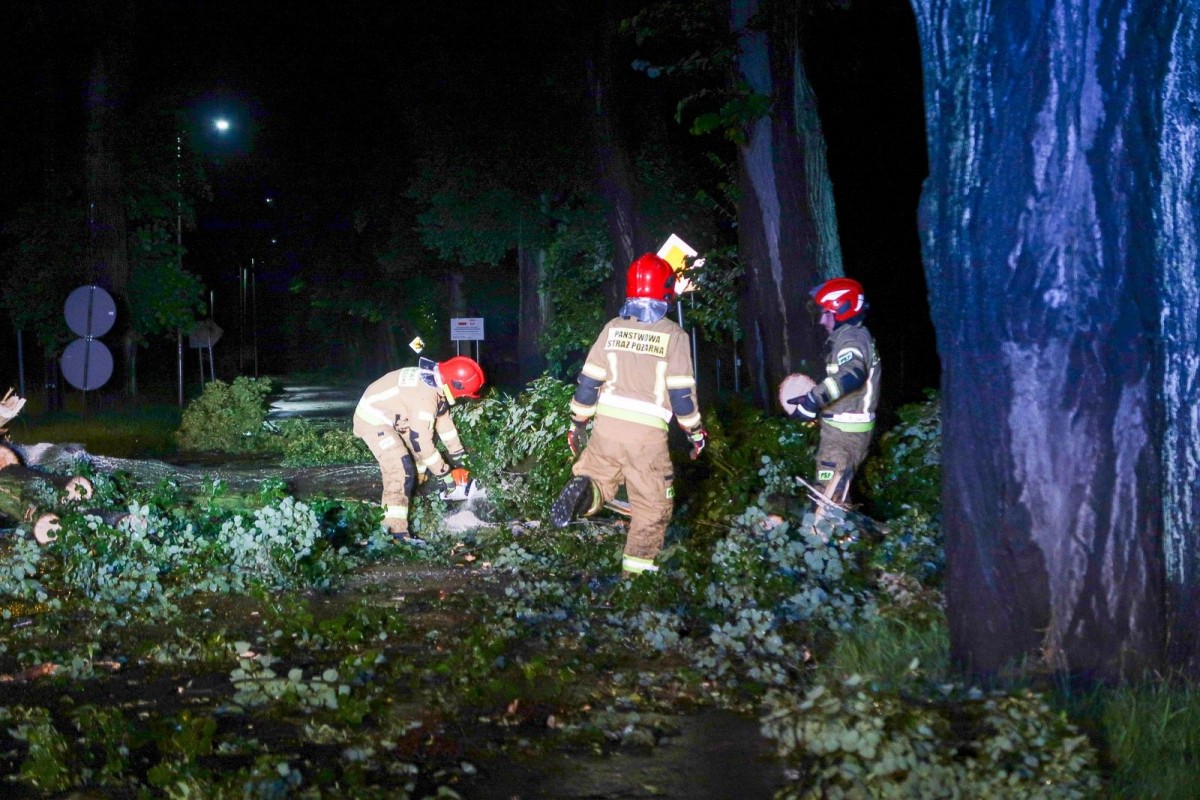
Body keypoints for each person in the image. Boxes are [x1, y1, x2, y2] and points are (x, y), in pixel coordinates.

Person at [550, 253, 707, 577]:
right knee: (652, 509)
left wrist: (577, 423)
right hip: (646, 437)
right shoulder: (674, 335)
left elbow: (588, 384)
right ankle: (635, 581)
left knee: (600, 479)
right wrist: (695, 433)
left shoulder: (612, 329)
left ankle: (585, 490)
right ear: (666, 289)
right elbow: (681, 397)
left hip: (606, 429)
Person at [353, 355, 485, 543]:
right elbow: (420, 443)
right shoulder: (425, 398)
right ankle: (394, 533)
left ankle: (415, 489)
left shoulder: (436, 384)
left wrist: (461, 456)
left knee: (420, 460)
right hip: (374, 420)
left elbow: (445, 426)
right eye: (463, 393)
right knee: (400, 468)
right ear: (456, 386)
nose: (462, 397)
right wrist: (445, 474)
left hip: (399, 414)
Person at [787, 277, 881, 506]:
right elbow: (844, 383)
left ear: (842, 311)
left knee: (827, 501)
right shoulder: (853, 337)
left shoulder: (851, 339)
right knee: (836, 495)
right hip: (846, 432)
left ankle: (830, 530)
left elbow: (853, 374)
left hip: (842, 436)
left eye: (825, 314)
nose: (821, 320)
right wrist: (814, 399)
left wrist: (814, 399)